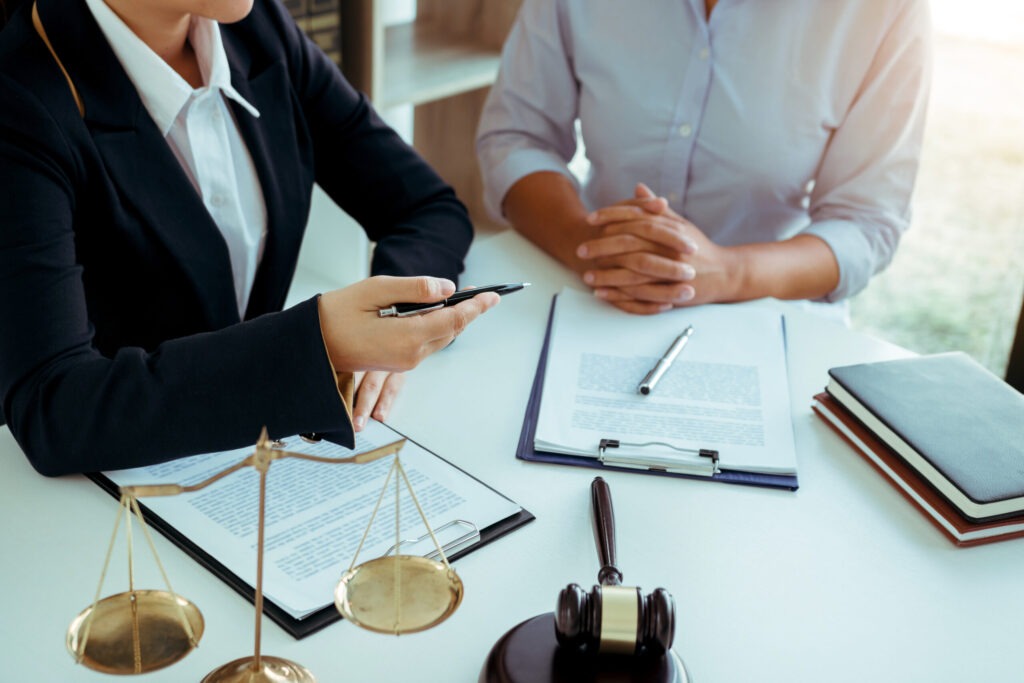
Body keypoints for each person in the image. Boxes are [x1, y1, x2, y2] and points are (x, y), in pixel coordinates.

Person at [0, 0, 499, 476]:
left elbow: (426, 205)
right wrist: (318, 344)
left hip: (255, 468)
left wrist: (396, 319)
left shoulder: (255, 27)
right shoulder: (21, 98)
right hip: (105, 504)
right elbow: (54, 409)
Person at [476, 0, 932, 316]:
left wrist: (731, 273)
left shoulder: (884, 12)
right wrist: (587, 245)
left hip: (771, 311)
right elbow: (517, 135)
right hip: (594, 294)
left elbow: (866, 223)